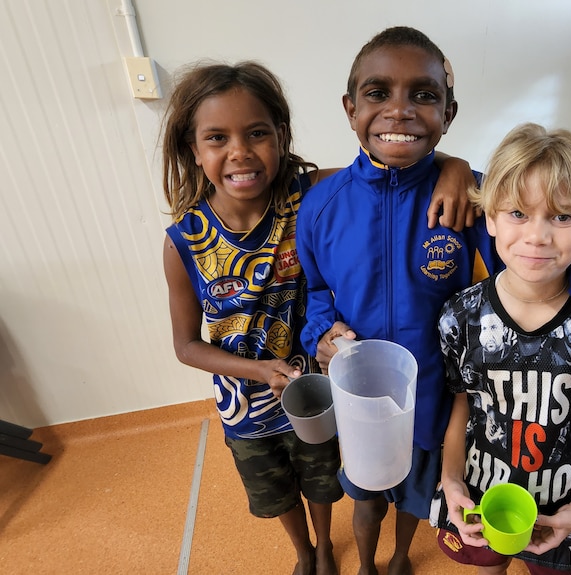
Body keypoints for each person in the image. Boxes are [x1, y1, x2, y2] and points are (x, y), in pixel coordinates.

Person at [160, 60, 476, 575]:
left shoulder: (306, 194)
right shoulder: (183, 243)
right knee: (276, 491)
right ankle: (305, 552)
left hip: (323, 389)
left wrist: (455, 165)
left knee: (326, 480)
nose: (240, 152)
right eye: (217, 138)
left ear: (281, 136)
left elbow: (389, 163)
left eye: (257, 133)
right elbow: (185, 346)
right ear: (193, 150)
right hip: (246, 407)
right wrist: (261, 371)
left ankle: (327, 547)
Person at [296, 26, 503, 575]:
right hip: (360, 398)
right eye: (378, 93)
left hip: (436, 392)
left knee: (418, 494)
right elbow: (316, 292)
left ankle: (400, 557)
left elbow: (519, 278)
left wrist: (462, 169)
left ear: (448, 113)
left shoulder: (471, 197)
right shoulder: (321, 207)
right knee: (365, 497)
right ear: (350, 107)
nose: (400, 110)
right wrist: (321, 334)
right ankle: (365, 564)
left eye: (424, 96)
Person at [431, 123, 571, 575]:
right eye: (517, 213)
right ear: (489, 217)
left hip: (562, 505)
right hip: (481, 491)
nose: (537, 236)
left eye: (561, 217)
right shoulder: (461, 315)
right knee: (486, 566)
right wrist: (450, 478)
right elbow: (463, 402)